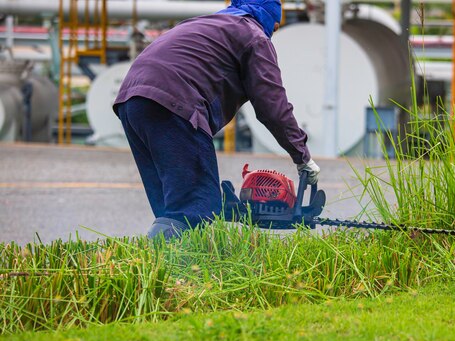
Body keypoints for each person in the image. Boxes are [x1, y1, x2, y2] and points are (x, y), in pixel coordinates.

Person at [113, 0, 320, 239]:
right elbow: (272, 105)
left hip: (132, 102)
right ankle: (182, 273)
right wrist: (302, 156)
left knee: (171, 207)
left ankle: (158, 271)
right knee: (193, 206)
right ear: (267, 17)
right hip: (175, 103)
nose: (273, 32)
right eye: (275, 26)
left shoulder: (206, 23)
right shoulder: (254, 36)